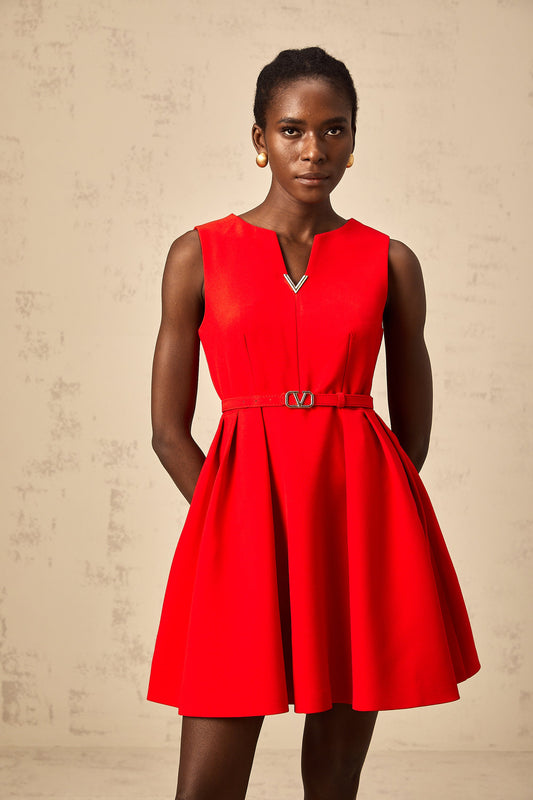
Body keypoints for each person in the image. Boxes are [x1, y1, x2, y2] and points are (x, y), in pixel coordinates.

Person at [146, 46, 481, 800]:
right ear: (260, 138)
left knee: (333, 783)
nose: (314, 149)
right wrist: (230, 522)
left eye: (334, 130)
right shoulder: (197, 255)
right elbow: (168, 431)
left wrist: (369, 517)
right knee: (205, 787)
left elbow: (412, 433)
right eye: (292, 129)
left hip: (353, 533)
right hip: (239, 529)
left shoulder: (390, 261)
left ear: (353, 141)